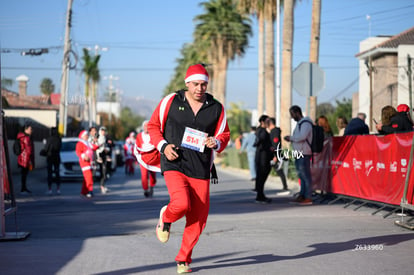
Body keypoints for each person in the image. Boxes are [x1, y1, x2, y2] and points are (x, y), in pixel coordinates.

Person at [147, 64, 230, 273]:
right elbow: (153, 126)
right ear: (187, 83)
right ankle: (166, 218)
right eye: (195, 84)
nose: (200, 88)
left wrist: (216, 142)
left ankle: (183, 259)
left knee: (199, 218)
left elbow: (224, 134)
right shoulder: (171, 101)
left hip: (200, 167)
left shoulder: (216, 108)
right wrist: (163, 147)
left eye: (204, 84)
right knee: (181, 203)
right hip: (174, 162)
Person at [284, 105, 313, 205]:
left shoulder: (305, 123)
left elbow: (302, 137)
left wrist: (291, 138)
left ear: (297, 113)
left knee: (305, 175)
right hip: (299, 153)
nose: (292, 117)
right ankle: (302, 195)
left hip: (304, 152)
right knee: (301, 175)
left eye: (292, 114)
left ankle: (308, 197)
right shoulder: (300, 124)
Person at [134, 120, 161, 198]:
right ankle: (145, 189)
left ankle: (152, 186)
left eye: (147, 126)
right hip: (143, 158)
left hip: (152, 158)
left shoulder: (153, 135)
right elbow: (137, 146)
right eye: (145, 126)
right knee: (144, 174)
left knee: (152, 174)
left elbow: (156, 144)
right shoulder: (139, 136)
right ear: (143, 127)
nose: (146, 127)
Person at [253, 114, 273, 204]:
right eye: (267, 121)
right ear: (262, 122)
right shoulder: (262, 131)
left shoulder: (260, 130)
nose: (269, 123)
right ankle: (260, 196)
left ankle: (260, 195)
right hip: (262, 157)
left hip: (261, 156)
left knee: (261, 176)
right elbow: (260, 140)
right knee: (262, 175)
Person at [266, 117, 289, 192]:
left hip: (275, 155)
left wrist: (276, 156)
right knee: (278, 170)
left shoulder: (274, 132)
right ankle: (285, 186)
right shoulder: (273, 131)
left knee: (279, 170)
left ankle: (285, 186)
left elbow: (276, 144)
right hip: (273, 155)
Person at [76, 130, 97, 198]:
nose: (87, 136)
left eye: (87, 135)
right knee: (89, 177)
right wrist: (84, 156)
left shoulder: (88, 143)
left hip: (90, 162)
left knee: (86, 178)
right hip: (84, 162)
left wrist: (96, 142)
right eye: (86, 135)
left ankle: (84, 191)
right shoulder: (80, 143)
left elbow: (94, 147)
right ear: (82, 136)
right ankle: (89, 190)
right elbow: (78, 152)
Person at [43, 127, 62, 195]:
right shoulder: (59, 139)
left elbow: (46, 148)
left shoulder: (49, 139)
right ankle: (58, 189)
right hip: (57, 157)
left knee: (49, 173)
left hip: (50, 157)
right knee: (57, 173)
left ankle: (50, 189)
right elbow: (60, 147)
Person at [17, 124, 34, 194]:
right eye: (30, 129)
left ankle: (23, 188)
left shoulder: (21, 137)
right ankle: (23, 189)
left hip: (21, 158)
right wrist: (30, 160)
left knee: (23, 174)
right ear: (26, 130)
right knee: (24, 174)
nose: (31, 131)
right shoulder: (26, 138)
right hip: (25, 159)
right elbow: (29, 150)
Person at [96, 126, 109, 194]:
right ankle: (101, 187)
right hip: (98, 157)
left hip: (103, 156)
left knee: (104, 172)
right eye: (102, 131)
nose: (103, 132)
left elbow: (106, 146)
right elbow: (96, 147)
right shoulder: (97, 138)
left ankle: (103, 186)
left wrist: (107, 149)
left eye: (104, 131)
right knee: (101, 173)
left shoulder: (104, 138)